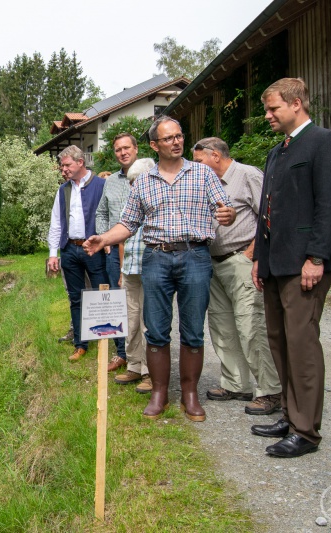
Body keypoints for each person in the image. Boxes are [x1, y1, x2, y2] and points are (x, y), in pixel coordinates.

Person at [83, 116, 236, 422]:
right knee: (156, 329)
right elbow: (127, 223)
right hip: (156, 259)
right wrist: (103, 239)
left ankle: (190, 396)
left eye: (179, 136)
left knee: (193, 330)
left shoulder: (203, 174)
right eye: (168, 138)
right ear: (154, 145)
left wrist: (227, 214)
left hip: (195, 256)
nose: (176, 142)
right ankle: (160, 394)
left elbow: (224, 207)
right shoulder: (143, 182)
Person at [250, 78, 331, 458]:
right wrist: (259, 255)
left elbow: (330, 206)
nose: (268, 115)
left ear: (296, 104)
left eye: (273, 108)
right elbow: (267, 209)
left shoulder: (326, 142)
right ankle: (290, 416)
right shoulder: (277, 152)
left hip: (306, 262)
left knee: (302, 342)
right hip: (275, 262)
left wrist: (317, 258)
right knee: (279, 339)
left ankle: (305, 432)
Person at [192, 137, 282, 416]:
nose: (195, 166)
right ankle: (236, 383)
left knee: (251, 326)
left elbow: (270, 215)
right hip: (213, 263)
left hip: (241, 259)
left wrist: (252, 254)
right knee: (221, 326)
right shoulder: (206, 182)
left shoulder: (248, 175)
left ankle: (270, 391)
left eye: (198, 160)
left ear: (215, 155)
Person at [47, 145, 107, 362]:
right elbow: (56, 222)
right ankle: (80, 344)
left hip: (94, 248)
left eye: (66, 165)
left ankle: (105, 340)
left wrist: (107, 240)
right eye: (61, 166)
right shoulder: (63, 190)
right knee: (76, 298)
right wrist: (53, 253)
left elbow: (109, 215)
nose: (63, 170)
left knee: (101, 295)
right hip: (69, 249)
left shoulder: (101, 184)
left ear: (80, 162)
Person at [111, 157, 155, 394]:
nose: (133, 186)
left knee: (150, 322)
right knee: (130, 319)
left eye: (136, 181)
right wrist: (120, 270)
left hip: (151, 268)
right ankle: (134, 365)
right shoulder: (131, 200)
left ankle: (151, 371)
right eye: (131, 182)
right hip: (130, 268)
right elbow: (123, 236)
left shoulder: (159, 198)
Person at [95, 133, 138, 373]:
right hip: (114, 251)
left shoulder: (149, 173)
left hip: (143, 248)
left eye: (126, 148)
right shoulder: (110, 181)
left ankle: (143, 357)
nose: (122, 153)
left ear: (136, 149)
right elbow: (101, 213)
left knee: (142, 302)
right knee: (117, 301)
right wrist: (105, 239)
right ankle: (121, 353)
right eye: (118, 150)